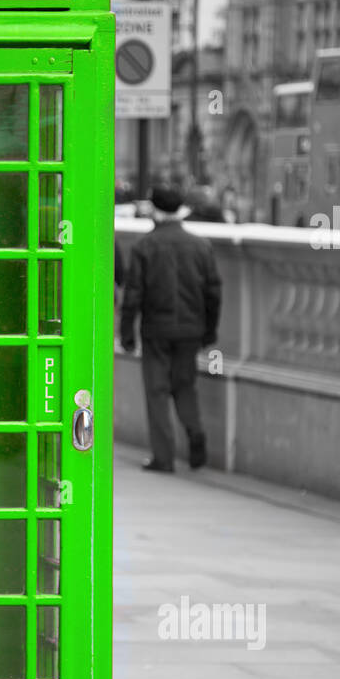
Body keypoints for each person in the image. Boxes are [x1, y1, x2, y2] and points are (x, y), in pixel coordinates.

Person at [120, 183, 222, 473]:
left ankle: (163, 458)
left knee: (157, 392)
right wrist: (209, 330)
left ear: (155, 210)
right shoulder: (201, 246)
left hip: (156, 330)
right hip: (191, 330)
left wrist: (127, 335)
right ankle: (195, 433)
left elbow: (133, 296)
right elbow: (214, 292)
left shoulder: (144, 247)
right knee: (185, 387)